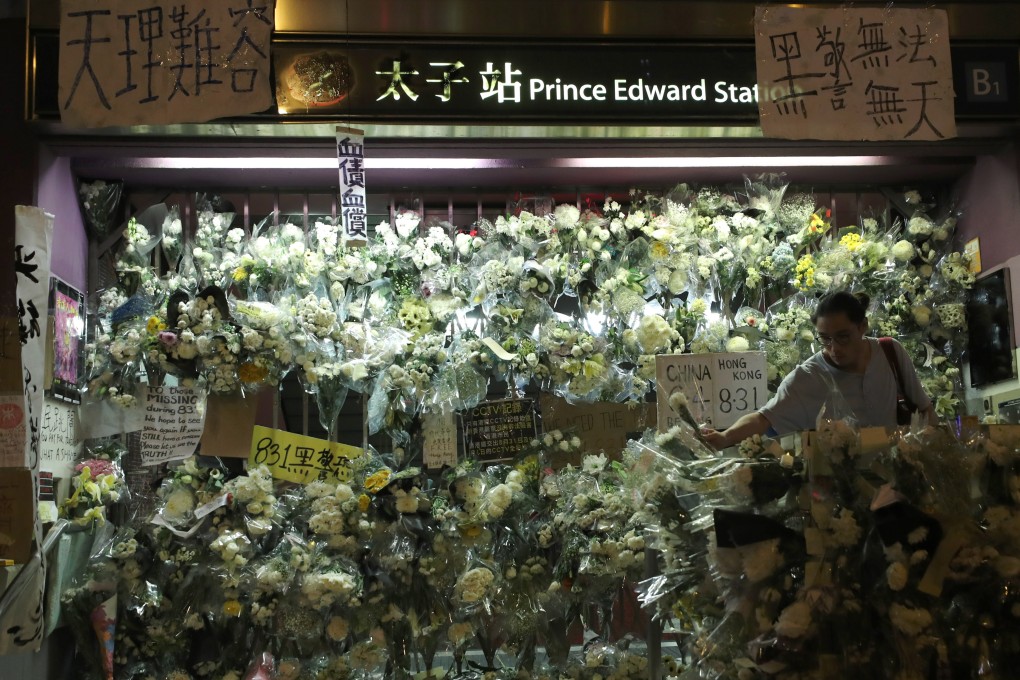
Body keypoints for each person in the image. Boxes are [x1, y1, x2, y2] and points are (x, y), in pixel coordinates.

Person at [700, 291, 935, 450]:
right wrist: (724, 438)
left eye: (843, 337)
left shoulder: (890, 352)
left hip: (898, 478)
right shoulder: (808, 377)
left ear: (862, 327)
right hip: (845, 489)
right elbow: (764, 418)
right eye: (825, 339)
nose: (834, 349)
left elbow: (925, 409)